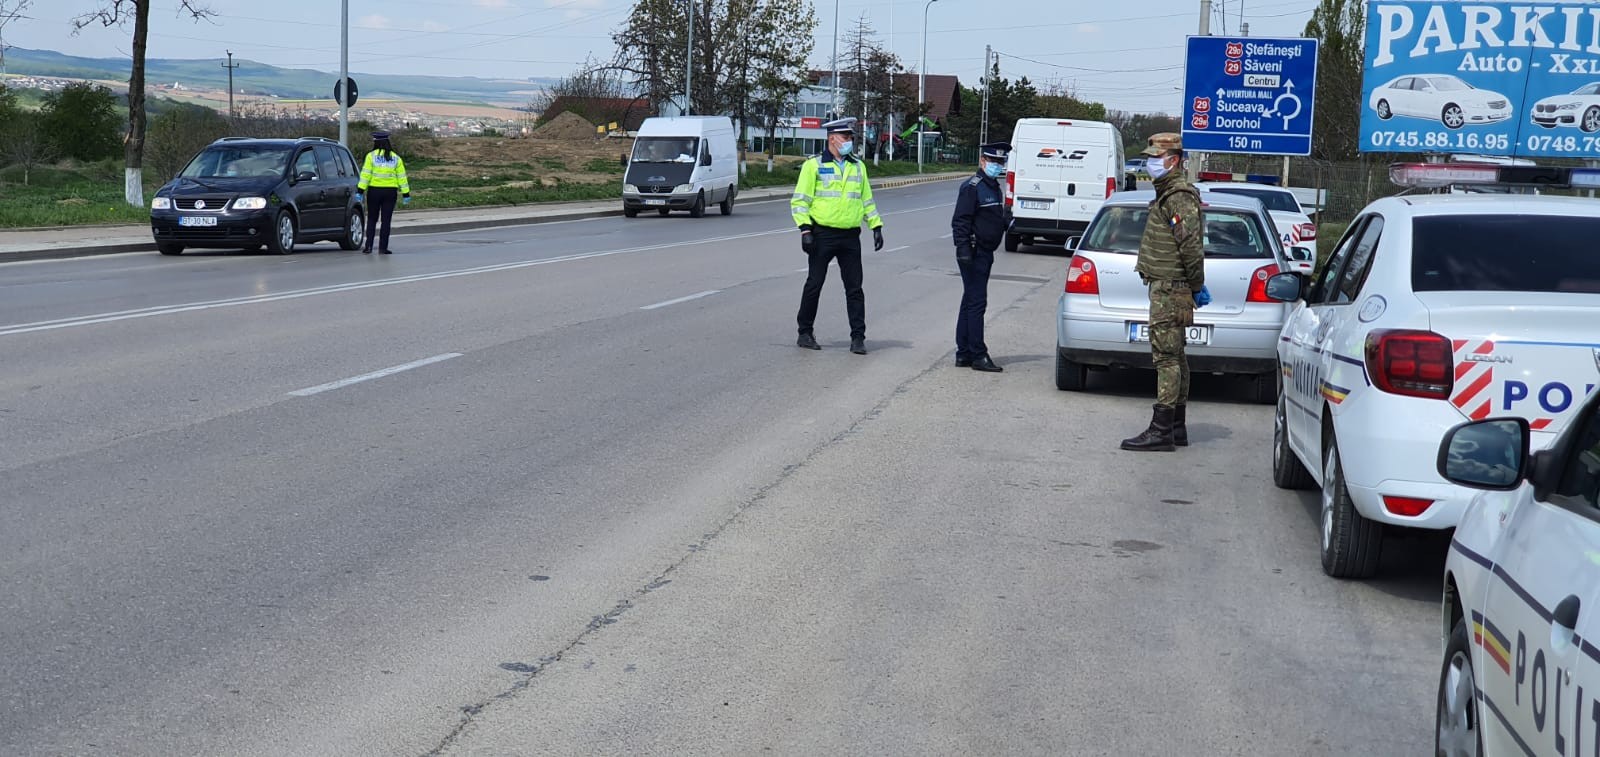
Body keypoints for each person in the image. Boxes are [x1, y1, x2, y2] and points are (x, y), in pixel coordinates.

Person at [1121, 132, 1208, 452]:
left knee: (1166, 358)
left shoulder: (1178, 196)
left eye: (1156, 158)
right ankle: (1175, 426)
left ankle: (1161, 430)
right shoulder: (1167, 193)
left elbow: (1190, 246)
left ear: (1173, 160)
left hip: (1170, 288)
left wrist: (1195, 286)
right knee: (1176, 355)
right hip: (1169, 286)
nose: (1151, 163)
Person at [791, 117, 884, 355]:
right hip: (822, 234)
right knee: (814, 284)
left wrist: (876, 226)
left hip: (850, 236)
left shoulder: (858, 166)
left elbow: (866, 199)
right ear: (832, 139)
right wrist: (805, 230)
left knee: (855, 288)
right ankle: (805, 332)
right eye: (846, 137)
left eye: (851, 137)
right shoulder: (813, 165)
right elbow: (800, 200)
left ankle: (858, 337)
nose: (849, 141)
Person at [950, 141, 1012, 372]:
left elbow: (989, 218)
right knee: (977, 303)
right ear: (982, 161)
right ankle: (978, 354)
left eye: (1000, 161)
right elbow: (960, 220)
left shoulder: (993, 186)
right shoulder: (972, 187)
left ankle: (963, 352)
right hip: (974, 252)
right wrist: (963, 248)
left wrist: (1005, 221)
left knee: (970, 301)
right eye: (993, 161)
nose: (997, 165)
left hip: (985, 251)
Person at [355, 131, 411, 254]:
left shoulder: (371, 156)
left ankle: (368, 246)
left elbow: (365, 175)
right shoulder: (396, 158)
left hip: (374, 191)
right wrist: (406, 194)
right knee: (386, 220)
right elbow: (402, 177)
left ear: (375, 142)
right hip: (390, 192)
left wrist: (360, 191)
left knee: (372, 219)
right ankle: (383, 248)